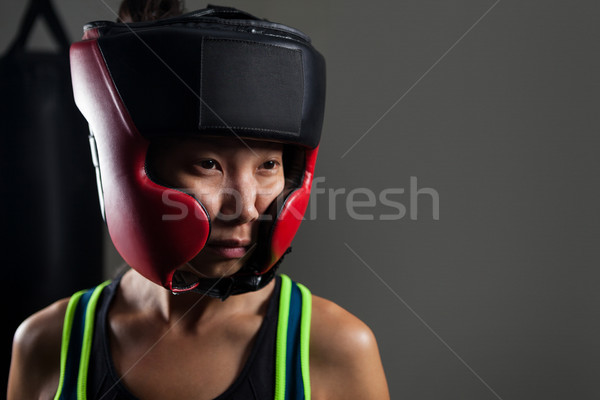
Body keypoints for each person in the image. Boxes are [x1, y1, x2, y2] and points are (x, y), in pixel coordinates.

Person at [7, 3, 390, 399]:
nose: (245, 207)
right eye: (208, 165)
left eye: (268, 165)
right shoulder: (46, 343)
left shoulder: (336, 348)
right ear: (127, 170)